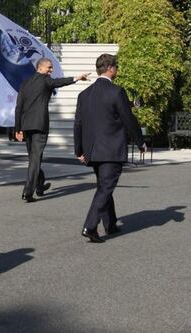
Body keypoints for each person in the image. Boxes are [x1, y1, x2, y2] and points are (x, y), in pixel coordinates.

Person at [73, 53, 146, 243]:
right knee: (105, 187)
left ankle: (111, 224)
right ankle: (90, 226)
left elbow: (78, 124)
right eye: (117, 67)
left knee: (104, 185)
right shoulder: (116, 92)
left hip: (92, 150)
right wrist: (140, 141)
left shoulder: (84, 94)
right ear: (110, 68)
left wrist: (79, 150)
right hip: (111, 149)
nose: (117, 70)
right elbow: (128, 118)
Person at [15, 57, 90, 202]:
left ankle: (40, 184)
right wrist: (77, 78)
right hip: (40, 125)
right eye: (49, 67)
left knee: (34, 158)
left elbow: (19, 108)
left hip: (26, 125)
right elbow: (59, 82)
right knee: (35, 159)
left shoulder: (25, 84)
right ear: (40, 67)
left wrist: (18, 128)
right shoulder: (45, 80)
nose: (51, 70)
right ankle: (27, 192)